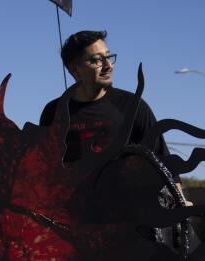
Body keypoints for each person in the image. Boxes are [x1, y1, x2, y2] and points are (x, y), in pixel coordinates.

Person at [39, 30, 188, 206]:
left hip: (127, 216)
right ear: (75, 69)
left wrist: (180, 203)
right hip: (74, 216)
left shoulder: (133, 106)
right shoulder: (54, 112)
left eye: (109, 57)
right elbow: (44, 169)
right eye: (96, 60)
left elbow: (163, 162)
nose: (108, 65)